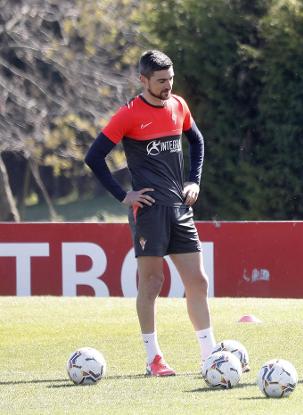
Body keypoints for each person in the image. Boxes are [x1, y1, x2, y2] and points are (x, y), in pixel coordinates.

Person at [85, 50, 216, 376]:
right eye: (160, 81)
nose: (167, 86)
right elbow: (94, 157)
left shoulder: (178, 105)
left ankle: (209, 354)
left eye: (170, 79)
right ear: (143, 80)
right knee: (152, 282)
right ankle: (153, 358)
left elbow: (197, 142)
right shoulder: (129, 114)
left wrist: (194, 181)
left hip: (180, 208)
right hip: (149, 212)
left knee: (198, 282)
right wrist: (122, 195)